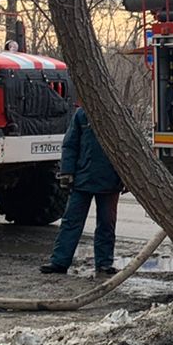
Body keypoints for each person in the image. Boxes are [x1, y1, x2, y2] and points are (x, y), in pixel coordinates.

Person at [39, 105, 122, 278]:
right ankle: (60, 262)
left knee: (106, 224)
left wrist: (126, 178)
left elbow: (128, 149)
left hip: (109, 181)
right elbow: (70, 144)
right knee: (71, 222)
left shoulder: (119, 113)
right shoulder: (82, 114)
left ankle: (104, 263)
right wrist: (67, 172)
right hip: (82, 180)